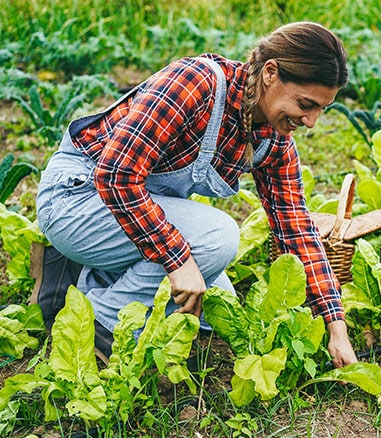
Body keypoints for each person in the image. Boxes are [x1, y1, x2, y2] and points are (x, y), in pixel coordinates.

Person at [31, 21, 358, 368]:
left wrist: (335, 326)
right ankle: (101, 324)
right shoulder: (197, 83)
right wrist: (178, 260)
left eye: (323, 108)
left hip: (126, 219)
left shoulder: (273, 141)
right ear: (271, 73)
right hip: (77, 199)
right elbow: (117, 176)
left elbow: (296, 230)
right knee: (217, 238)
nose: (311, 121)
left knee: (216, 305)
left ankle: (70, 277)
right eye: (306, 104)